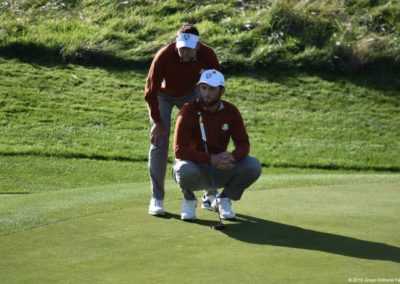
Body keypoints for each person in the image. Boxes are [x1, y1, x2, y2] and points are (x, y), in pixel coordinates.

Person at [145, 24, 220, 215]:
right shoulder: (164, 56)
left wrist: (211, 111)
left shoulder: (208, 55)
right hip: (163, 96)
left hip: (191, 93)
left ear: (197, 47)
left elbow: (215, 84)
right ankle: (157, 198)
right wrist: (157, 122)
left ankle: (210, 194)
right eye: (181, 48)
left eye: (188, 49)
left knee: (203, 138)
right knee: (159, 142)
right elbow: (151, 91)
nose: (183, 53)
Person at [172, 69, 262, 220]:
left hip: (220, 166)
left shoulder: (231, 111)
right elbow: (179, 150)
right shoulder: (188, 111)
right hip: (195, 167)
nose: (206, 93)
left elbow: (243, 144)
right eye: (203, 88)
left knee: (253, 166)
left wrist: (231, 157)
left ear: (222, 91)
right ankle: (189, 199)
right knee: (183, 168)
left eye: (212, 89)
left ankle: (224, 199)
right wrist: (211, 158)